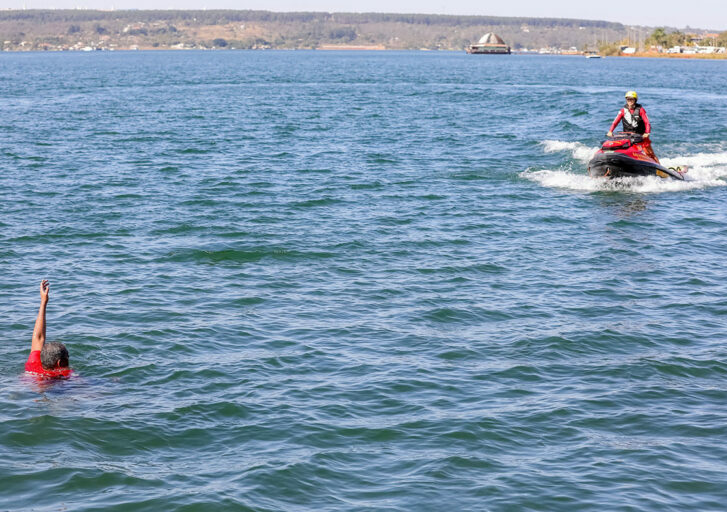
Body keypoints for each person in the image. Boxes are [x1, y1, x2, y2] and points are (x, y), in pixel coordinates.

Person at [24, 280, 73, 378]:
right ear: (60, 363)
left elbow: (38, 337)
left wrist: (43, 302)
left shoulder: (33, 362)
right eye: (67, 357)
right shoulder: (64, 374)